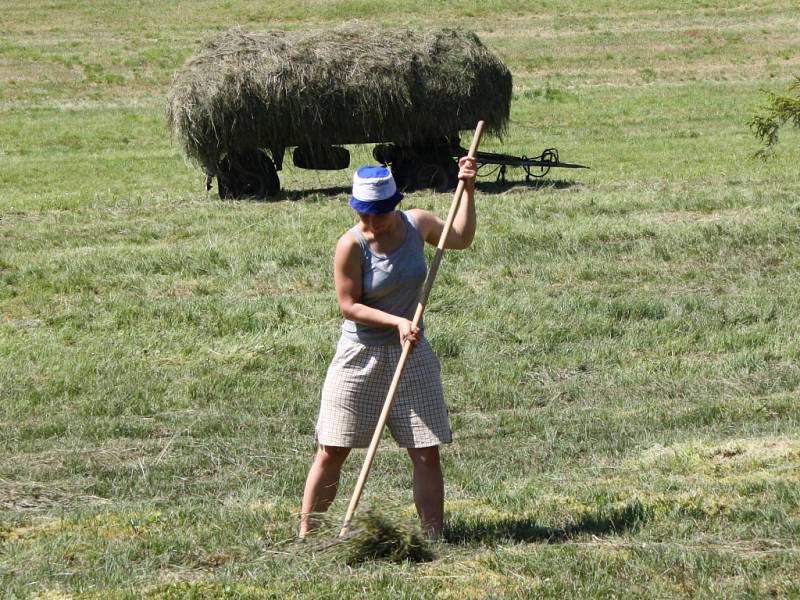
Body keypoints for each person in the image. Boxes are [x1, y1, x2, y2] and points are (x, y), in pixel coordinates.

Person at [299, 157, 478, 540]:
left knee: (427, 451)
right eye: (363, 214)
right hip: (359, 355)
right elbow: (349, 305)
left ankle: (433, 538)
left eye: (378, 214)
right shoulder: (351, 245)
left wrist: (468, 188)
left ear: (394, 205)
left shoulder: (418, 224)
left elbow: (461, 237)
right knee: (332, 449)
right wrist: (397, 321)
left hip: (411, 355)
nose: (371, 223)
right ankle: (306, 536)